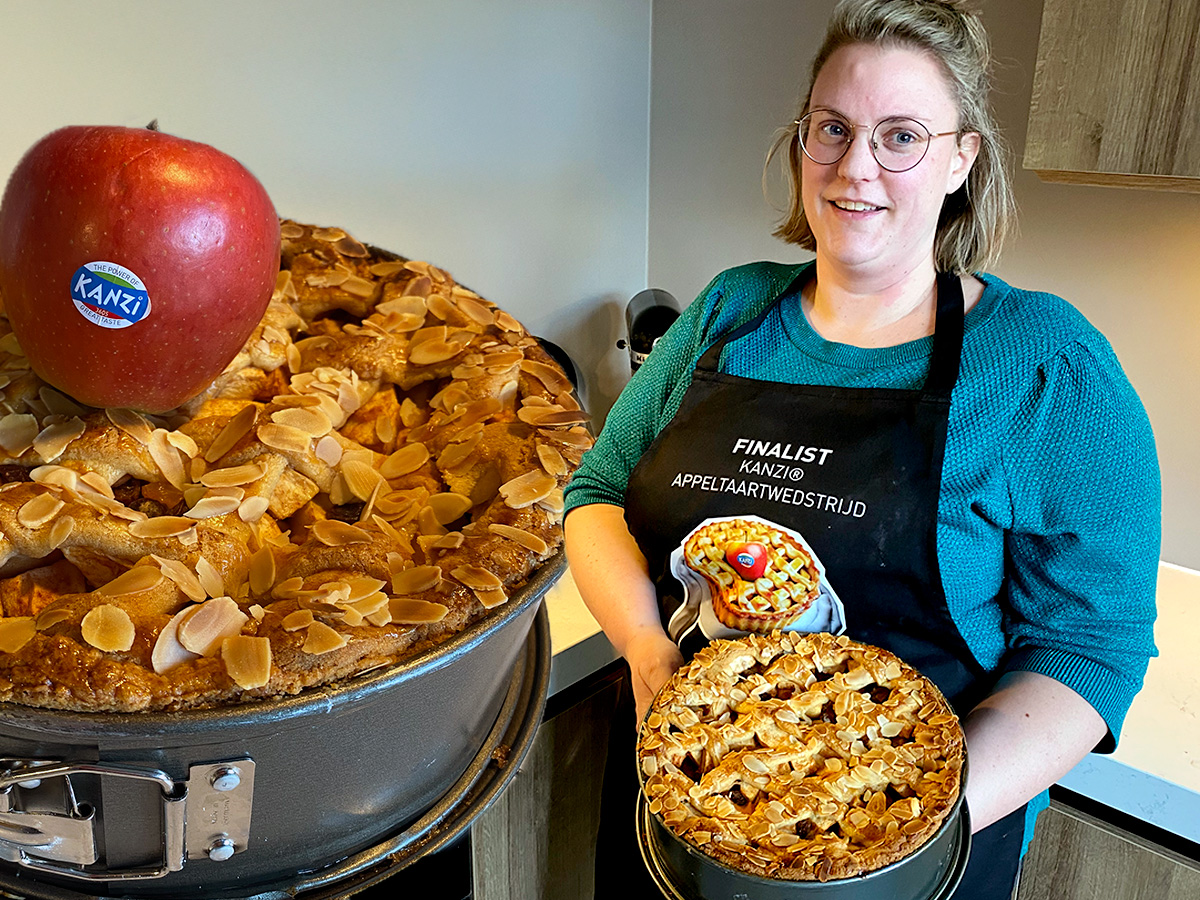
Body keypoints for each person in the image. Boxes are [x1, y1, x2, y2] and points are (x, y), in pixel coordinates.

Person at [563, 0, 1161, 897]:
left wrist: (896, 835)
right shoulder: (730, 310)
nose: (854, 168)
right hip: (680, 807)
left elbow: (1089, 649)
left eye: (902, 136)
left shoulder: (1047, 365)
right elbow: (598, 493)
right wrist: (650, 655)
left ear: (962, 158)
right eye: (831, 130)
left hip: (903, 856)